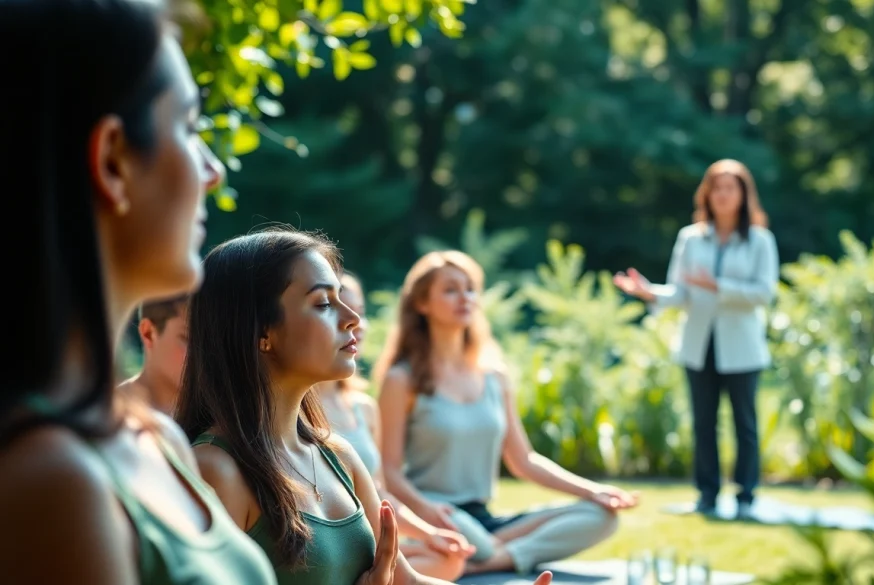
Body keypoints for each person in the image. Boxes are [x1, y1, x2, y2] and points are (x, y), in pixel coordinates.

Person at [0, 1, 278, 583]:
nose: (213, 169)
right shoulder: (53, 484)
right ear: (112, 163)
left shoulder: (156, 437)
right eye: (188, 126)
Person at [175, 229, 552, 585]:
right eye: (323, 303)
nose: (352, 318)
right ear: (261, 332)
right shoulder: (216, 471)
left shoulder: (339, 456)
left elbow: (407, 581)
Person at [374, 251, 638, 576]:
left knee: (600, 516)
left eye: (470, 288)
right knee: (476, 539)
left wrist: (592, 490)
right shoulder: (402, 379)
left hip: (484, 519)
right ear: (422, 303)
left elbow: (523, 460)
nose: (465, 297)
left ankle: (478, 562)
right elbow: (389, 471)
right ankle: (479, 552)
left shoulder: (494, 376)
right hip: (435, 514)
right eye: (450, 289)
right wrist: (429, 512)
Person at [613, 158, 779, 520]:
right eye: (716, 188)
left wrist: (719, 287)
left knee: (744, 425)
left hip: (742, 347)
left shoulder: (760, 241)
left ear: (743, 194)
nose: (722, 195)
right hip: (698, 345)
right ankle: (707, 495)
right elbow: (680, 291)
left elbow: (765, 293)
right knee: (704, 423)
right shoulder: (691, 238)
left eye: (729, 188)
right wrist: (648, 292)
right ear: (707, 194)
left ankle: (746, 497)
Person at [315, 272, 475, 581]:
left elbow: (379, 494)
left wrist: (430, 534)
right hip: (336, 550)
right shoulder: (299, 412)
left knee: (447, 558)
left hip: (375, 542)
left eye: (360, 312)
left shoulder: (364, 407)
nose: (355, 323)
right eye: (333, 309)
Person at [120, 293, 190, 415]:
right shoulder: (115, 414)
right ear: (148, 333)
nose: (202, 353)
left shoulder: (216, 418)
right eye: (187, 339)